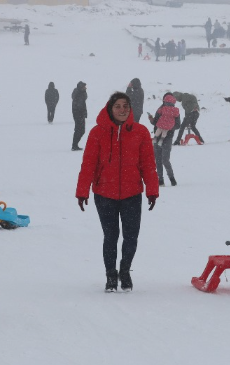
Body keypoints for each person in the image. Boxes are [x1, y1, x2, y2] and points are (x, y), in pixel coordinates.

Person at [76, 93, 159, 292]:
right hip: (104, 194)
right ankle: (111, 275)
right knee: (111, 236)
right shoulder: (97, 132)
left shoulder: (140, 132)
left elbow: (148, 164)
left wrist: (152, 190)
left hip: (132, 194)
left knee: (131, 236)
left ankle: (125, 271)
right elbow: (88, 164)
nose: (122, 110)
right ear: (110, 109)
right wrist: (82, 191)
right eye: (118, 106)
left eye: (126, 106)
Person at [148, 94, 181, 187]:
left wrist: (168, 127)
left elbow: (178, 125)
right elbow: (155, 122)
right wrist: (151, 120)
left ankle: (172, 179)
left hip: (167, 137)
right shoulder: (161, 109)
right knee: (159, 159)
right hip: (159, 136)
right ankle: (160, 180)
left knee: (164, 159)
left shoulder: (173, 111)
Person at [71, 81, 88, 150]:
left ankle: (75, 144)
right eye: (84, 87)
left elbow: (84, 102)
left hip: (80, 114)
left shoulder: (81, 93)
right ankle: (74, 145)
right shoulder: (78, 94)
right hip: (78, 114)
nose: (85, 88)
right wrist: (80, 114)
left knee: (81, 130)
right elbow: (79, 105)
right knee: (79, 130)